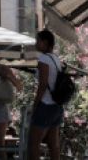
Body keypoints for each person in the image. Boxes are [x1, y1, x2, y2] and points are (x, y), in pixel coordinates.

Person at [29, 29, 63, 160]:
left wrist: (35, 104)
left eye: (38, 40)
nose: (36, 43)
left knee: (34, 143)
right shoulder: (56, 59)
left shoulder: (44, 59)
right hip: (56, 106)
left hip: (45, 104)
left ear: (45, 42)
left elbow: (43, 85)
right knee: (53, 144)